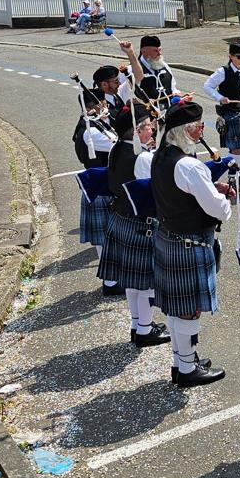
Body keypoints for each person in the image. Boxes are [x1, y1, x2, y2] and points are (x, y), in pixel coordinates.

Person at [150, 101, 232, 388]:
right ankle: (187, 369)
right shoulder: (190, 165)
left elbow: (185, 192)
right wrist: (224, 200)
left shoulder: (160, 157)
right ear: (184, 131)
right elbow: (216, 209)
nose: (202, 131)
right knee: (189, 308)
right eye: (198, 127)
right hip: (189, 243)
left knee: (176, 307)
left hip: (168, 238)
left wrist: (211, 187)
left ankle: (182, 359)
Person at [98, 104, 170, 348]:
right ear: (137, 130)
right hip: (142, 224)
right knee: (146, 281)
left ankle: (138, 324)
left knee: (132, 280)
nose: (152, 129)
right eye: (149, 126)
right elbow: (155, 192)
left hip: (120, 219)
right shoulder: (143, 158)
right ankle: (145, 330)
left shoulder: (116, 148)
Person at [76, 66, 125, 291]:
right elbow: (116, 145)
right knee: (103, 237)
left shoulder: (100, 124)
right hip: (98, 184)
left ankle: (113, 278)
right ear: (90, 108)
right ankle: (110, 281)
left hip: (106, 182)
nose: (104, 107)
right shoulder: (89, 130)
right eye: (100, 105)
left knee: (111, 234)